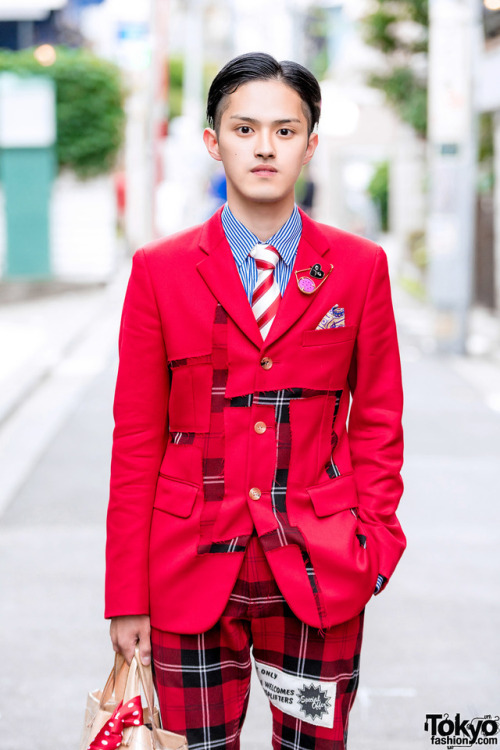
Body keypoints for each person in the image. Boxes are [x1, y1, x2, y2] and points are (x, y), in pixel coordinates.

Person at [105, 52, 405, 750]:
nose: (264, 147)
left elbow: (380, 420)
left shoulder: (360, 270)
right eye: (244, 129)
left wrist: (376, 544)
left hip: (321, 569)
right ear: (214, 141)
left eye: (284, 129)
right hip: (186, 573)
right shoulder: (159, 272)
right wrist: (126, 596)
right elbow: (136, 439)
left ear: (311, 141)